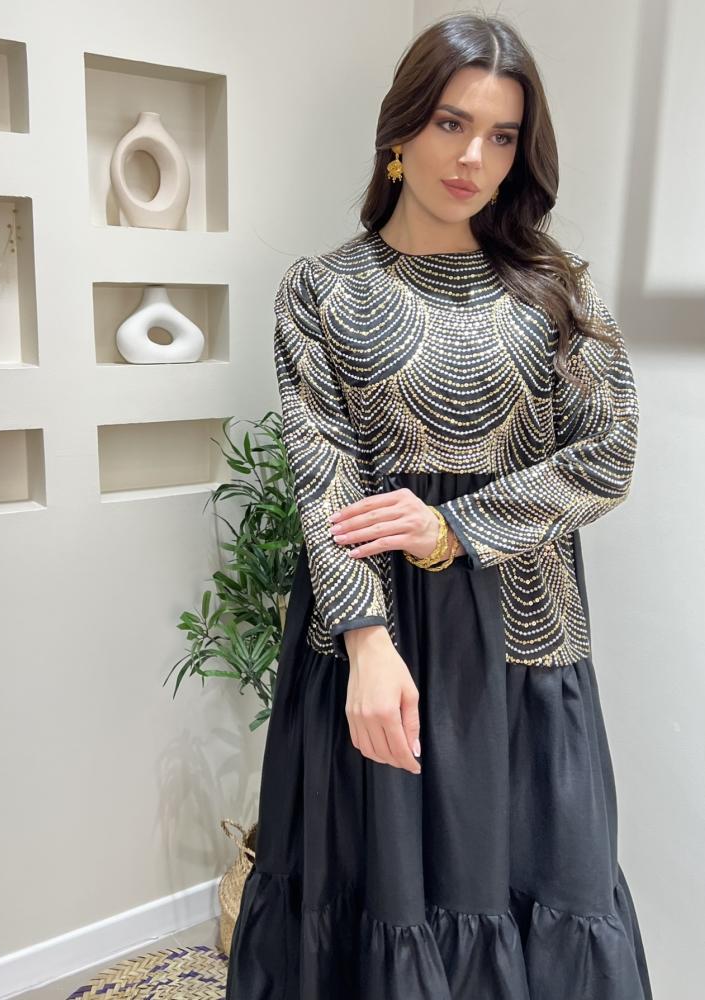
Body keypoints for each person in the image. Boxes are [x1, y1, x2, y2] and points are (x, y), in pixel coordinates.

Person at [225, 11, 653, 1000]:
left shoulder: (555, 291)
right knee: (374, 891)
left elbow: (609, 455)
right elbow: (324, 477)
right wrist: (368, 645)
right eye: (451, 123)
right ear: (400, 128)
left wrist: (452, 527)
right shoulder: (322, 291)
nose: (472, 159)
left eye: (501, 136)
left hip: (523, 635)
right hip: (374, 634)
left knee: (538, 876)